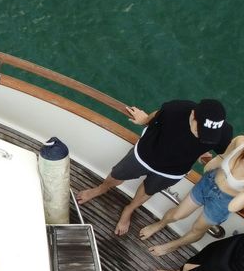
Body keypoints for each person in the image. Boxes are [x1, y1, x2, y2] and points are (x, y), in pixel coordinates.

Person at [75, 98, 230, 236]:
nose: (202, 137)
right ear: (193, 115)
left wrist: (205, 155)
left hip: (173, 171)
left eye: (209, 135)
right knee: (117, 175)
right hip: (144, 155)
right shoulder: (175, 110)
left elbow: (226, 153)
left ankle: (129, 209)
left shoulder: (223, 134)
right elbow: (157, 116)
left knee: (149, 190)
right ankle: (101, 188)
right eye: (201, 131)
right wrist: (144, 120)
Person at [138, 135, 244, 257]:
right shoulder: (241, 142)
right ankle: (159, 224)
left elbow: (233, 207)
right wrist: (214, 162)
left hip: (223, 202)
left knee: (197, 229)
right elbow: (224, 156)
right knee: (176, 214)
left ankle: (173, 245)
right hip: (208, 183)